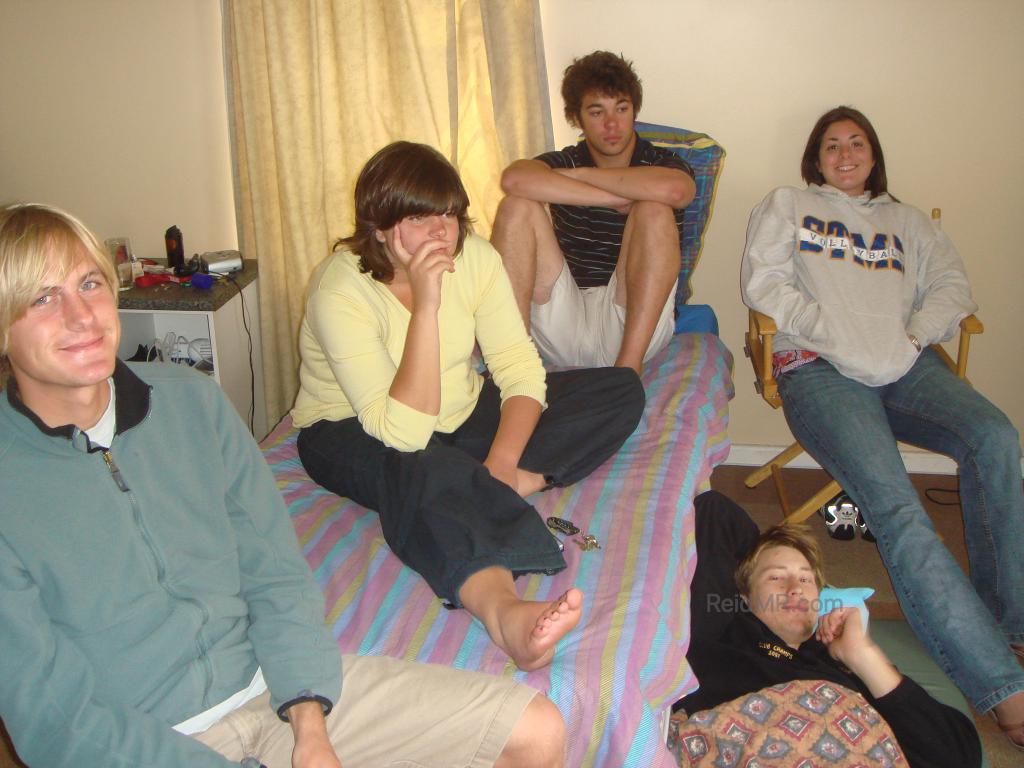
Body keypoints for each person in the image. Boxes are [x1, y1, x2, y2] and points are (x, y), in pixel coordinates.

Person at [0, 202, 567, 768]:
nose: (81, 316)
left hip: (272, 692)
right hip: (143, 743)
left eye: (90, 283)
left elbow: (274, 570)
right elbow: (55, 722)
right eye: (42, 297)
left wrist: (309, 722)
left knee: (534, 731)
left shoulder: (188, 401)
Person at [291, 141, 645, 672]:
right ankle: (507, 616)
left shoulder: (474, 257)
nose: (442, 233)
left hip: (458, 409)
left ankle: (510, 481)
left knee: (619, 389)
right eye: (420, 217)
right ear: (381, 226)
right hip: (353, 429)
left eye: (450, 215)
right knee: (420, 467)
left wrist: (502, 467)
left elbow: (518, 366)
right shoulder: (339, 291)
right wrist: (427, 304)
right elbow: (405, 432)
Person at [740, 105, 1024, 750]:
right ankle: (1003, 686)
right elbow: (765, 283)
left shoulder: (907, 221)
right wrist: (835, 333)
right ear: (815, 157)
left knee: (998, 438)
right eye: (831, 145)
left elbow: (953, 287)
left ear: (873, 154)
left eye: (856, 142)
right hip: (818, 367)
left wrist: (914, 335)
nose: (845, 153)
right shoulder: (786, 204)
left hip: (905, 365)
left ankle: (1010, 622)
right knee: (895, 503)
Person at [678, 492, 982, 768]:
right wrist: (761, 558)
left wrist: (863, 657)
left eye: (806, 580)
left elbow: (959, 756)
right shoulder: (720, 638)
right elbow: (716, 511)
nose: (795, 589)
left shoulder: (846, 671)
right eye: (776, 579)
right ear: (741, 598)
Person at [490, 50, 696, 373]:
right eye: (597, 112)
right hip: (564, 319)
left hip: (631, 319)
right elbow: (514, 179)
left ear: (634, 112)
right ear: (577, 118)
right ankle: (511, 365)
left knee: (654, 209)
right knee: (516, 205)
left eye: (622, 109)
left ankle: (627, 372)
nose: (612, 124)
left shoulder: (660, 161)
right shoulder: (568, 158)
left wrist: (584, 176)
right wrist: (610, 198)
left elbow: (677, 191)